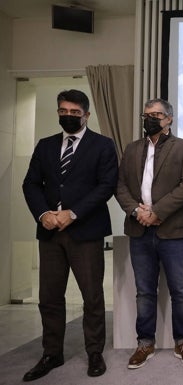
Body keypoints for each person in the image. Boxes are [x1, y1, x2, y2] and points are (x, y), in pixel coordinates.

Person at [22, 89, 118, 381]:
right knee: (49, 297)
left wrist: (72, 213)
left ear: (86, 115)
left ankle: (94, 352)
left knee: (92, 297)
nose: (68, 116)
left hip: (85, 231)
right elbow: (31, 185)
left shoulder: (103, 145)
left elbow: (106, 186)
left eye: (75, 112)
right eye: (63, 111)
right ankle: (52, 352)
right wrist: (44, 214)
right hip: (50, 232)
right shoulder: (46, 145)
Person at [115, 98, 183, 369]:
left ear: (169, 119)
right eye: (147, 114)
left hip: (174, 231)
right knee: (144, 291)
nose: (150, 118)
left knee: (181, 291)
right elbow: (120, 187)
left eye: (156, 114)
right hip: (139, 230)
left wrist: (157, 211)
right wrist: (136, 212)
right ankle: (145, 343)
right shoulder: (131, 149)